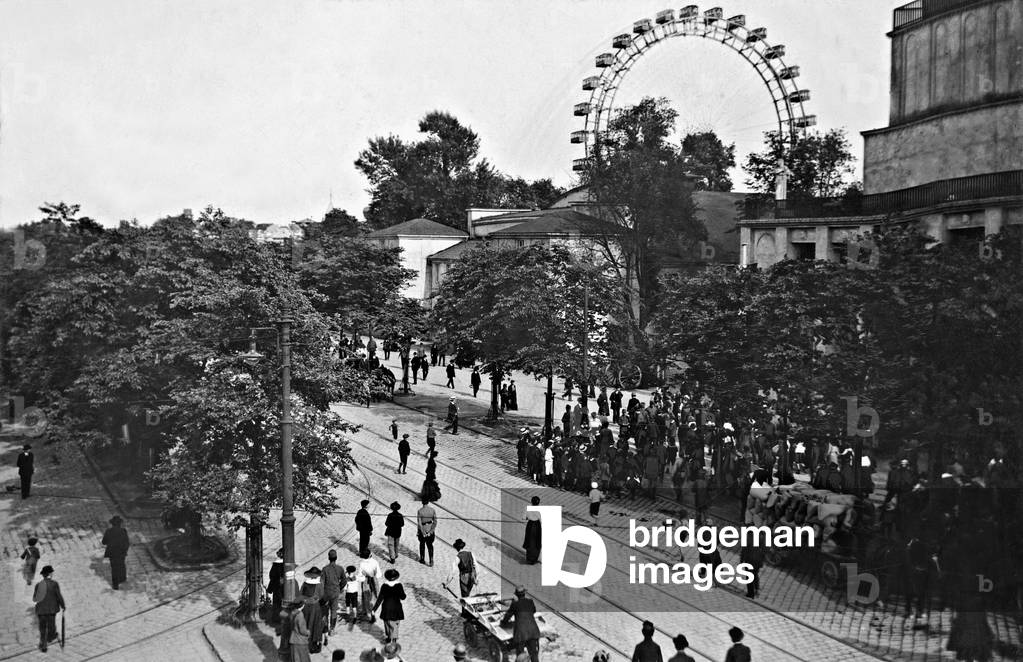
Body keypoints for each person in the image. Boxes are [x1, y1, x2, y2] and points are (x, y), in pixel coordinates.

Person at [500, 586, 542, 662]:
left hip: (521, 633)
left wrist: (503, 622)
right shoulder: (530, 601)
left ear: (516, 595)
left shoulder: (515, 604)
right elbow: (533, 611)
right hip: (533, 630)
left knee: (520, 655)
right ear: (524, 593)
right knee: (533, 653)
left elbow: (508, 615)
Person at [33, 565, 65, 652]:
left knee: (42, 628)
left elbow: (35, 599)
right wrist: (63, 605)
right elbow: (59, 596)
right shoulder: (54, 584)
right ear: (50, 574)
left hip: (41, 610)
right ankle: (50, 637)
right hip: (51, 610)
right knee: (51, 625)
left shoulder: (38, 585)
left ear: (43, 575)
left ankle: (44, 645)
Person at [372, 568, 406, 644]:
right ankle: (394, 638)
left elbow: (380, 599)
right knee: (396, 623)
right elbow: (403, 597)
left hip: (386, 607)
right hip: (396, 607)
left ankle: (389, 637)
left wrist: (374, 609)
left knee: (387, 623)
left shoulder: (384, 586)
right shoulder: (399, 585)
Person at [301, 568, 326, 654]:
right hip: (315, 607)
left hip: (306, 607)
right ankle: (313, 646)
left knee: (306, 624)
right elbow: (321, 595)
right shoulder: (319, 585)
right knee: (315, 626)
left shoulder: (305, 583)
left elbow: (301, 593)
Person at [102, 515, 130, 589]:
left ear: (112, 524)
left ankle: (115, 584)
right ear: (120, 523)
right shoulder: (123, 531)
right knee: (121, 565)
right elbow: (127, 542)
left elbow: (104, 542)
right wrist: (125, 550)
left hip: (112, 553)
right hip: (121, 552)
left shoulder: (108, 531)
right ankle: (122, 579)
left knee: (114, 568)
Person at [322, 550, 344, 635]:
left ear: (329, 558)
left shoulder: (325, 569)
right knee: (334, 611)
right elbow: (344, 581)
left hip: (326, 593)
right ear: (336, 558)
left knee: (325, 612)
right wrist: (339, 588)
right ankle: (332, 629)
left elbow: (322, 582)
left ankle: (325, 628)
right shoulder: (340, 568)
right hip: (335, 592)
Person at [358, 549, 381, 623]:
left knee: (366, 595)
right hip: (374, 580)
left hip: (365, 580)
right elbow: (379, 574)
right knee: (374, 594)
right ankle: (373, 611)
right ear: (370, 555)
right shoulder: (375, 562)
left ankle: (366, 610)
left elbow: (360, 575)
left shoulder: (361, 563)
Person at [290, 597, 313, 662]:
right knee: (303, 659)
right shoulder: (300, 615)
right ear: (302, 605)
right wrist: (308, 632)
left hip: (293, 639)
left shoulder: (292, 612)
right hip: (300, 641)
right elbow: (302, 631)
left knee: (295, 659)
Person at [417, 497, 437, 566]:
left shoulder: (420, 511)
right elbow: (435, 522)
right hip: (430, 529)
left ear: (422, 502)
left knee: (422, 544)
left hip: (422, 530)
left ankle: (422, 559)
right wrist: (431, 531)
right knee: (430, 545)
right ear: (428, 502)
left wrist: (422, 532)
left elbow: (419, 523)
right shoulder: (432, 510)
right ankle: (431, 560)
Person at [268, 548, 285, 624]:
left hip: (277, 587)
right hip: (286, 587)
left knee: (276, 603)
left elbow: (271, 576)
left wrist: (270, 588)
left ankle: (276, 619)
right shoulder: (288, 564)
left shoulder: (276, 564)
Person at [523, 496, 542, 564]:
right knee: (537, 541)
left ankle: (529, 558)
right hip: (537, 526)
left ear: (531, 502)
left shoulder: (527, 508)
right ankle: (535, 558)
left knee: (529, 541)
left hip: (530, 525)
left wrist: (529, 517)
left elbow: (524, 517)